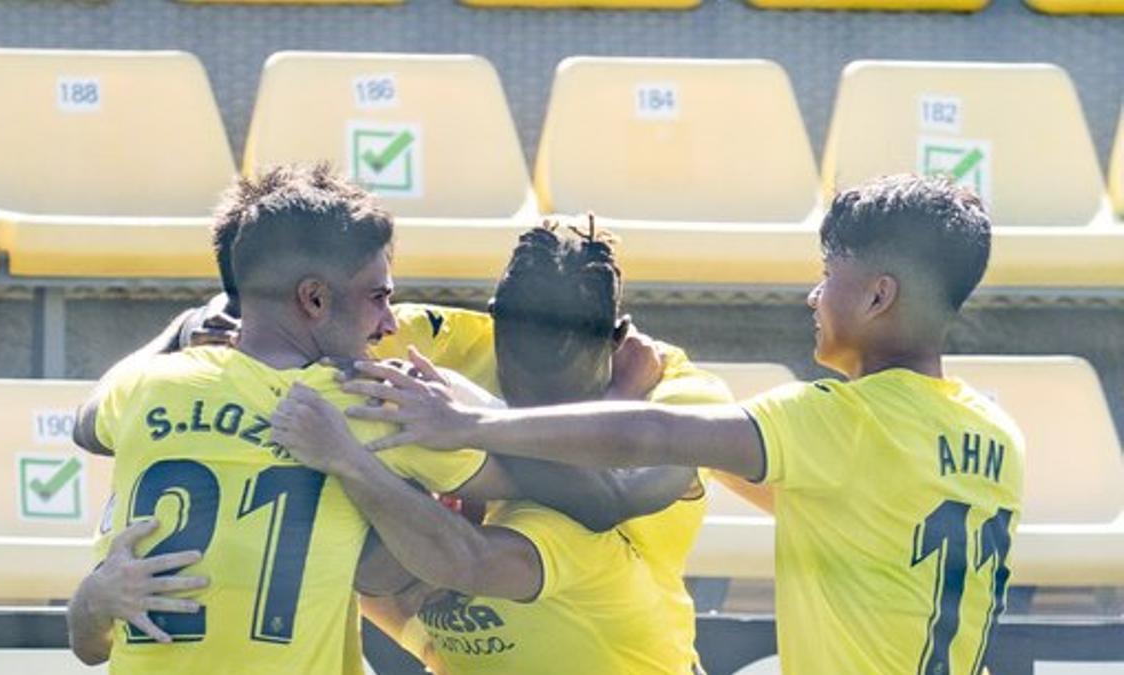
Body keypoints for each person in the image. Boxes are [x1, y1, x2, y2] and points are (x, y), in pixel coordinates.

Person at [342, 174, 1026, 674]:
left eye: (828, 274)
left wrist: (470, 422)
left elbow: (647, 447)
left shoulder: (828, 424)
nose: (814, 294)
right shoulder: (997, 434)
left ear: (878, 295)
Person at [65, 166, 691, 670]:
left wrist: (184, 328)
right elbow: (582, 491)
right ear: (313, 298)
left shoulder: (142, 385)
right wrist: (470, 417)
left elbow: (85, 423)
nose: (389, 325)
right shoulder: (368, 402)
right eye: (379, 297)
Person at [271, 221, 731, 673]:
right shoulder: (445, 343)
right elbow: (276, 334)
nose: (534, 400)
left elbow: (613, 495)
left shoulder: (679, 393)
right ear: (494, 320)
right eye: (517, 377)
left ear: (616, 338)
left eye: (559, 388)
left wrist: (471, 422)